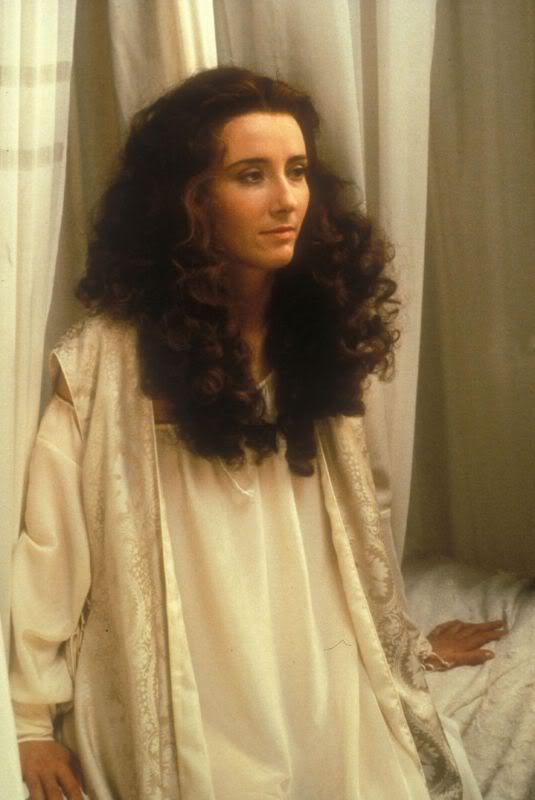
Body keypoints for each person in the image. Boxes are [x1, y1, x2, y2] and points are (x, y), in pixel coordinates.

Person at [10, 66, 505, 800]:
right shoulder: (105, 362)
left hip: (307, 660)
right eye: (251, 175)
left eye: (297, 171)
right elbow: (51, 550)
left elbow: (352, 523)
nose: (287, 199)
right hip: (187, 675)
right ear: (188, 197)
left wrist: (401, 644)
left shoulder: (316, 326)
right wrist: (29, 721)